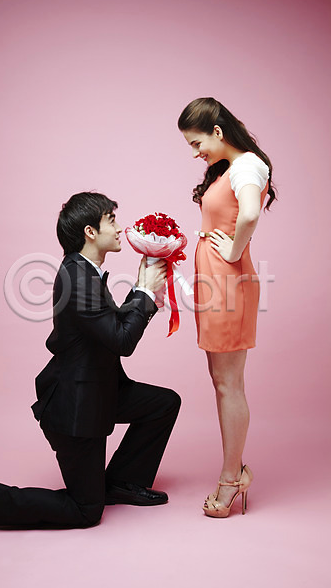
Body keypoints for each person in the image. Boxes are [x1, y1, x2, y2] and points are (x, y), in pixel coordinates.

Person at [0, 192, 181, 528]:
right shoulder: (78, 279)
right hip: (76, 407)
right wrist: (145, 292)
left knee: (163, 404)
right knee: (85, 510)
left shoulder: (84, 271)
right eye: (111, 221)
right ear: (90, 232)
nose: (119, 228)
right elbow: (122, 341)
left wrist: (142, 290)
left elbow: (110, 327)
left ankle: (121, 482)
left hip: (100, 390)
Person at [178, 97, 275, 518]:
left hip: (229, 282)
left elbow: (249, 214)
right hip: (215, 282)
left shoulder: (247, 165)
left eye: (197, 143)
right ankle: (235, 469)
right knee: (221, 380)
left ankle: (232, 478)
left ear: (217, 132)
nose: (195, 153)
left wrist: (234, 250)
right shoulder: (229, 168)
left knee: (228, 383)